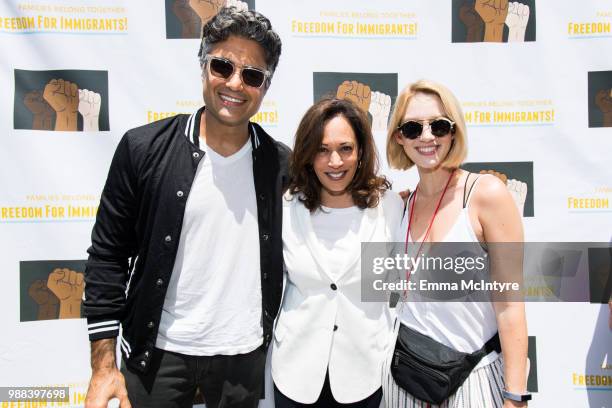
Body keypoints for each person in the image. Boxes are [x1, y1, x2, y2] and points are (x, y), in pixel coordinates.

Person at [82, 7, 289, 408]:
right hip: (156, 354)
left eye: (252, 75)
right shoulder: (143, 149)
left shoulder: (280, 165)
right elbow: (107, 258)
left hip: (243, 357)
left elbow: (338, 201)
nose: (234, 83)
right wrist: (103, 367)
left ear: (265, 86)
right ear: (202, 66)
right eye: (223, 66)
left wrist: (393, 204)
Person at [383, 80, 530, 407]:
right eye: (412, 127)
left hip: (474, 380)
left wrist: (516, 396)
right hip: (404, 384)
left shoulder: (485, 195)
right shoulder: (399, 206)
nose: (426, 136)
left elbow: (510, 306)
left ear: (454, 132)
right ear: (399, 137)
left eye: (438, 125)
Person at [272, 98, 404, 407]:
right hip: (295, 376)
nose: (335, 161)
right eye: (322, 149)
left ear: (361, 152)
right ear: (308, 154)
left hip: (366, 378)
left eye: (345, 148)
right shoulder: (287, 207)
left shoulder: (390, 208)